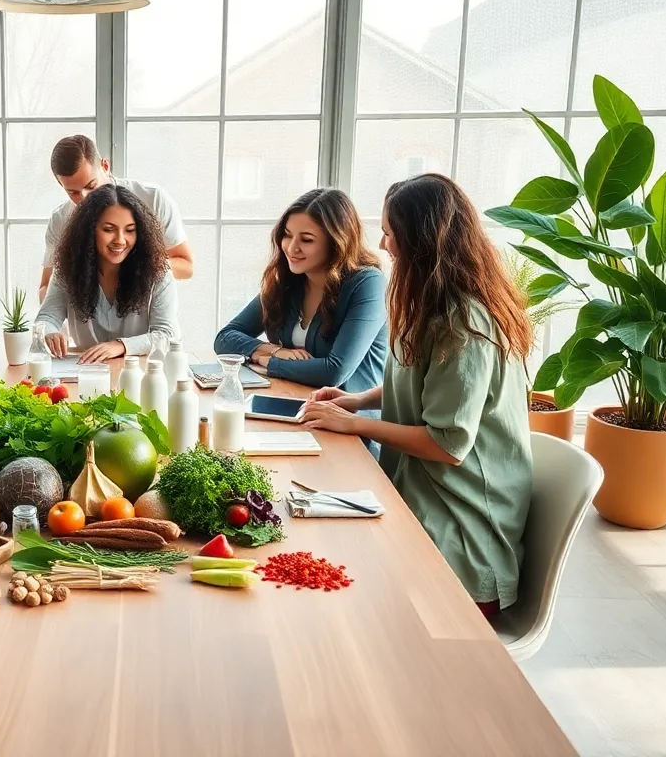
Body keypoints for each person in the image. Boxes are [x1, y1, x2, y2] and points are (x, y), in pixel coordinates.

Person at [301, 173, 533, 617]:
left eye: (391, 233)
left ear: (422, 241)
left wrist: (356, 425)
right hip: (423, 496)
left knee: (343, 590)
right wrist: (356, 401)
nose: (384, 245)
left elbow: (447, 444)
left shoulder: (465, 324)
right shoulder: (432, 301)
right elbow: (416, 380)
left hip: (463, 534)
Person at [213, 187, 386, 393]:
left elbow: (335, 371)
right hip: (293, 400)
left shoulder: (368, 283)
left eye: (306, 240)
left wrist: (269, 362)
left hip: (350, 417)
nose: (291, 248)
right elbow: (224, 338)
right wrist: (275, 351)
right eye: (287, 235)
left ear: (337, 243)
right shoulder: (290, 281)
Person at [34, 184, 179, 363]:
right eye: (109, 230)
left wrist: (120, 346)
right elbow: (46, 318)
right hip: (86, 373)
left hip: (140, 374)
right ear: (89, 231)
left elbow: (167, 334)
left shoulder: (158, 271)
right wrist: (51, 333)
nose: (120, 240)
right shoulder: (67, 269)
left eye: (130, 230)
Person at [39, 135, 192, 302]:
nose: (85, 198)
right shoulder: (59, 221)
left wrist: (134, 267)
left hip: (148, 319)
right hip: (85, 323)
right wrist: (54, 324)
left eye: (91, 186)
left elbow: (186, 266)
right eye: (73, 192)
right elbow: (46, 286)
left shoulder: (153, 200)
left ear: (105, 166)